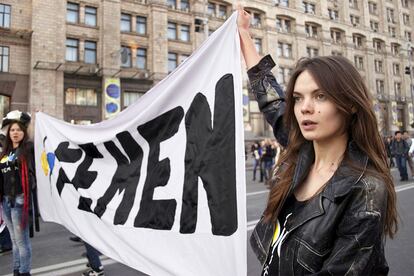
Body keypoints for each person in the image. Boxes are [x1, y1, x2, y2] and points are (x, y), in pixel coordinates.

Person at [238, 7, 398, 275]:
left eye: (320, 96)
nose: (304, 108)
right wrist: (244, 35)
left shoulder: (367, 189)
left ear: (351, 104)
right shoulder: (301, 151)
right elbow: (271, 99)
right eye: (298, 98)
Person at [0, 111, 38, 276]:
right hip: (6, 201)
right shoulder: (5, 153)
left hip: (20, 200)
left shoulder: (28, 150)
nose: (15, 132)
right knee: (14, 240)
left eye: (18, 130)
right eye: (12, 130)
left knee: (22, 241)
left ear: (24, 132)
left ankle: (24, 272)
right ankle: (16, 269)